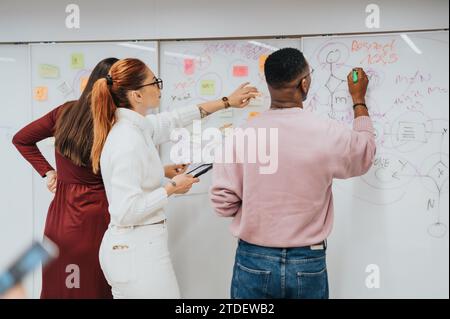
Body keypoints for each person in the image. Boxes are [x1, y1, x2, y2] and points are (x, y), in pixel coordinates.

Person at [210, 48, 376, 299]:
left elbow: (223, 205)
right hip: (307, 260)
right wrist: (358, 100)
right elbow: (365, 152)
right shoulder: (327, 133)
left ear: (269, 84)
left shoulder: (241, 135)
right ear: (304, 83)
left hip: (253, 259)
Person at [91, 58, 259, 298]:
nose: (159, 88)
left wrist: (226, 103)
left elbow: (175, 119)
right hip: (136, 252)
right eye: (155, 82)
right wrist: (171, 188)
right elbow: (126, 211)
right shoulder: (127, 140)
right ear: (136, 95)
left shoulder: (137, 128)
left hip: (136, 249)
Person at [12, 58, 118, 299]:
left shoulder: (64, 111)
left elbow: (21, 139)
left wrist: (48, 171)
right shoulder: (114, 122)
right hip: (97, 218)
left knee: (63, 286)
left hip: (61, 218)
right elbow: (121, 170)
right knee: (94, 287)